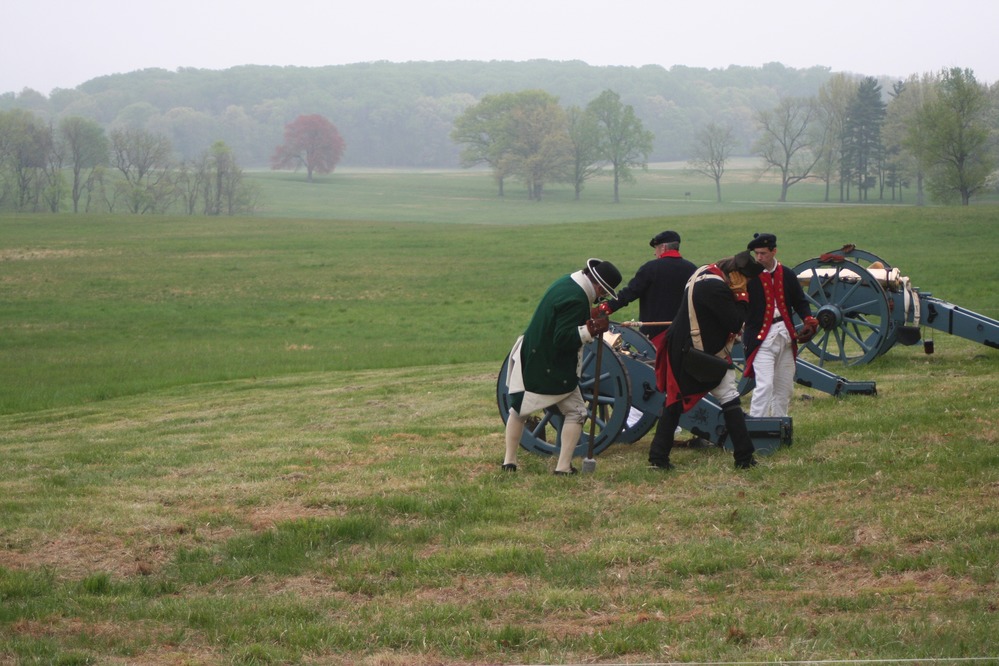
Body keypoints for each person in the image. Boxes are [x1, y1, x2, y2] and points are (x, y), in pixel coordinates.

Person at [502, 258, 623, 475]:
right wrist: (591, 330)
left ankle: (509, 462)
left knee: (518, 409)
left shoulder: (568, 282)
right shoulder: (577, 298)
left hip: (531, 352)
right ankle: (563, 466)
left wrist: (588, 317)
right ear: (599, 287)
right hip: (550, 363)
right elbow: (563, 338)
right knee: (577, 411)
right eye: (603, 293)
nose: (601, 298)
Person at [647, 250, 764, 470]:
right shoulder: (716, 287)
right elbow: (734, 322)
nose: (746, 285)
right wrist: (741, 296)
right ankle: (744, 458)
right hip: (694, 353)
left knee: (675, 402)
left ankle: (658, 457)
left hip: (687, 348)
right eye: (745, 281)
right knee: (723, 399)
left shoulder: (704, 272)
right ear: (736, 275)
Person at [594, 230, 700, 446]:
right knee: (676, 380)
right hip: (684, 336)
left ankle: (635, 421)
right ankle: (675, 423)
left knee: (645, 380)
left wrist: (603, 309)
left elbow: (627, 295)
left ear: (661, 248)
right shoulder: (692, 270)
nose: (654, 254)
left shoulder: (651, 268)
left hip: (655, 338)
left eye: (655, 249)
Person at [743, 233, 818, 418]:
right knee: (765, 386)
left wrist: (808, 318)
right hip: (761, 339)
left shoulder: (788, 274)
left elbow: (800, 301)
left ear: (774, 251)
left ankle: (779, 425)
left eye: (763, 253)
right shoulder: (748, 277)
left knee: (784, 387)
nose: (759, 257)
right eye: (756, 253)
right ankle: (756, 427)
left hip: (785, 336)